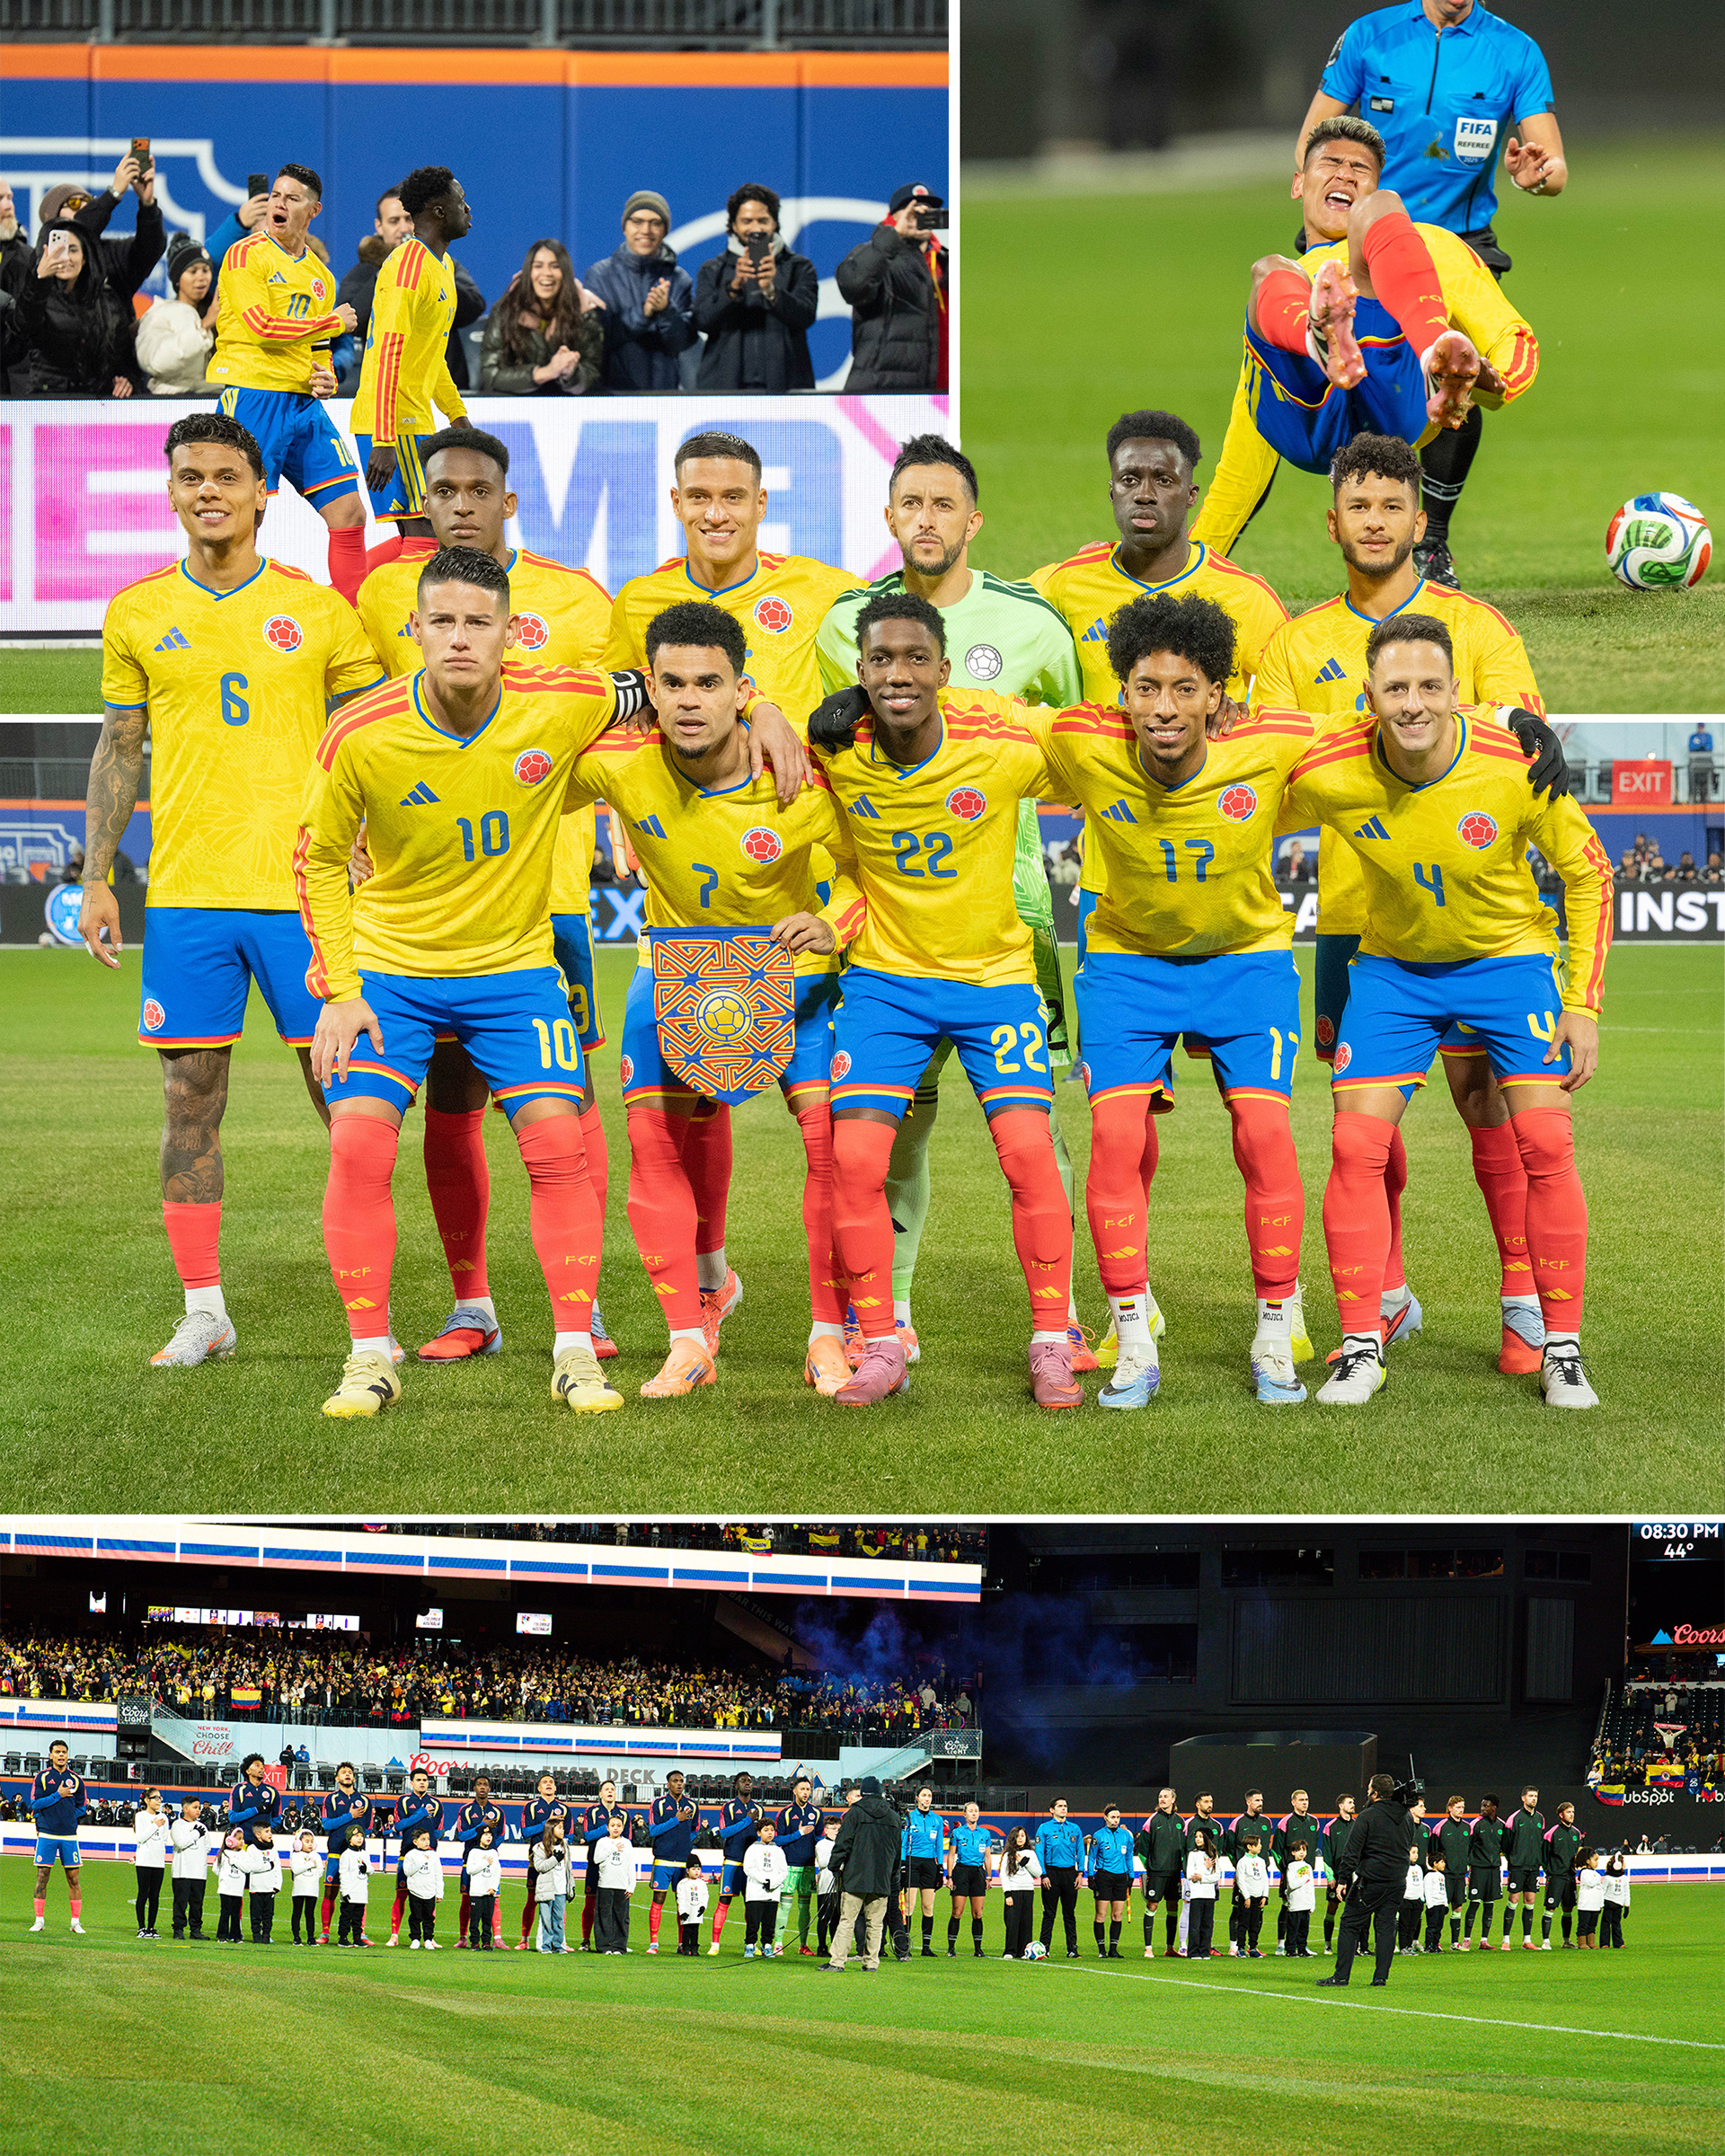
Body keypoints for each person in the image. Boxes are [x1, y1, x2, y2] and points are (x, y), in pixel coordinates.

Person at [297, 548, 731, 1418]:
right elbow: (315, 861)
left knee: (559, 1145)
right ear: (412, 629)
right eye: (443, 621)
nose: (459, 637)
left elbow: (666, 688)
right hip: (390, 973)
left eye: (478, 622)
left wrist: (759, 712)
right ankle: (367, 1356)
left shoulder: (563, 697)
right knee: (357, 1144)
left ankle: (575, 1350)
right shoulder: (360, 732)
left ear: (509, 632)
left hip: (515, 971)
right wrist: (340, 989)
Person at [1253, 432, 1560, 1377]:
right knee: (1364, 1121)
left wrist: (1510, 720)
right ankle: (1383, 1297)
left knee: (1486, 1106)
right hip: (1358, 922)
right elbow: (1268, 763)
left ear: (1420, 522)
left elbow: (1518, 721)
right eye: (1360, 506)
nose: (1376, 521)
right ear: (1333, 520)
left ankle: (1523, 1308)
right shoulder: (1297, 644)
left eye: (1393, 506)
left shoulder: (1475, 627)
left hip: (1476, 916)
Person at [81, 413, 383, 1370]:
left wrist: (371, 838)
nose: (207, 489)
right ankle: (205, 1310)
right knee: (188, 1102)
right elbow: (119, 748)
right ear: (170, 493)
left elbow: (369, 738)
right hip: (188, 899)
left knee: (347, 1103)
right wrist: (95, 877)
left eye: (225, 474)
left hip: (307, 895)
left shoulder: (322, 611)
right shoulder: (134, 612)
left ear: (265, 492)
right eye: (189, 476)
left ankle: (368, 1314)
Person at [1280, 615, 1610, 1407]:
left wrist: (1582, 1004)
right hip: (1394, 973)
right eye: (1396, 688)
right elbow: (1258, 749)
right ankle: (1363, 1346)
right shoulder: (1332, 765)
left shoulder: (1514, 767)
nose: (1414, 703)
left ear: (1457, 692)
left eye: (1431, 686)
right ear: (1370, 697)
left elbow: (1591, 872)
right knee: (1355, 1144)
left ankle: (1559, 1345)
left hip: (1508, 967)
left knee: (1541, 1138)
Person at [817, 434, 1091, 1371]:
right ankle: (885, 1313)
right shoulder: (841, 624)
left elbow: (1081, 753)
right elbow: (830, 774)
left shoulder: (1034, 625)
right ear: (889, 517)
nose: (926, 520)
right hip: (890, 931)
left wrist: (1079, 912)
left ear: (972, 520)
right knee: (896, 1130)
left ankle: (1064, 1320)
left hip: (1012, 928)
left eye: (944, 505)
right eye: (910, 504)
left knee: (1036, 1136)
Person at [356, 423, 616, 1365]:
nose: (460, 504)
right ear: (424, 501)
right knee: (453, 1106)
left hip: (543, 898)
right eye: (444, 491)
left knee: (567, 1111)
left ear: (509, 502)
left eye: (478, 490)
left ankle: (579, 1309)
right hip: (424, 914)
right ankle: (474, 1306)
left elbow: (640, 703)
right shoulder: (390, 591)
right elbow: (360, 719)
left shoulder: (580, 600)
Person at [1021, 593, 1318, 1403]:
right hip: (1128, 965)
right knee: (1115, 1137)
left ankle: (1274, 1329)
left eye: (1186, 688)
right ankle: (1131, 1338)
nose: (1164, 707)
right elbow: (987, 708)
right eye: (1146, 686)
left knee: (1264, 1133)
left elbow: (1381, 726)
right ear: (1122, 689)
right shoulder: (1083, 738)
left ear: (1220, 693)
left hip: (1246, 960)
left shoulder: (1271, 740)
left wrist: (1506, 712)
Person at [566, 602, 861, 1397]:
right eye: (672, 683)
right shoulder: (622, 767)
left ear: (741, 690)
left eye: (710, 683)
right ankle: (688, 1337)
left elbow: (873, 875)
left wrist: (830, 923)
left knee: (832, 1155)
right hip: (677, 970)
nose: (690, 699)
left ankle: (830, 1335)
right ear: (649, 692)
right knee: (654, 1148)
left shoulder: (795, 779)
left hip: (788, 978)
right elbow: (519, 733)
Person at [601, 429, 848, 1346]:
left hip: (795, 900)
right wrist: (616, 802)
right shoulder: (642, 601)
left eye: (732, 498)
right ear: (675, 503)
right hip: (684, 910)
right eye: (698, 496)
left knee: (839, 1138)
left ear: (760, 507)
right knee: (691, 1100)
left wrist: (785, 711)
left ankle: (860, 1317)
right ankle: (706, 1286)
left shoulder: (820, 592)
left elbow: (877, 689)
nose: (714, 513)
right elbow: (619, 707)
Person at [1296, 0, 1564, 580]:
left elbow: (1554, 166)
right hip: (1369, 246)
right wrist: (1329, 207)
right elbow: (1312, 139)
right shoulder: (1370, 36)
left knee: (1456, 383)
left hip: (1460, 247)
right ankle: (1369, 541)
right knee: (1358, 392)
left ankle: (1431, 542)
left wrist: (1536, 176)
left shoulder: (1514, 51)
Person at [1193, 119, 1537, 564]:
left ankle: (1432, 351)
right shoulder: (1289, 285)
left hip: (1392, 401)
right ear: (1299, 183)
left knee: (1373, 218)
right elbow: (1249, 432)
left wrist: (1498, 382)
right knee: (1270, 269)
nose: (1345, 174)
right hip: (1309, 410)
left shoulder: (1432, 247)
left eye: (1361, 168)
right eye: (1330, 162)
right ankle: (1319, 340)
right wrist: (1196, 558)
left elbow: (1509, 333)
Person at [204, 163, 366, 595]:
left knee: (349, 513)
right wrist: (330, 323)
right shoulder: (245, 255)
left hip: (303, 405)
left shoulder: (320, 276)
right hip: (253, 397)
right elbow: (261, 327)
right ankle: (232, 616)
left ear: (312, 210)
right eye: (276, 195)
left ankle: (352, 624)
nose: (279, 204)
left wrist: (326, 377)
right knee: (244, 521)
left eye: (292, 199)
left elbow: (319, 351)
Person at [350, 166, 473, 546]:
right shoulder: (406, 267)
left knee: (424, 537)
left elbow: (432, 354)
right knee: (425, 537)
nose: (468, 209)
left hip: (413, 416)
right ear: (438, 211)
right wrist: (385, 439)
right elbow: (388, 353)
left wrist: (456, 413)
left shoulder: (444, 266)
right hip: (390, 422)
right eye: (461, 200)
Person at [693, 184, 818, 393]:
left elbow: (805, 316)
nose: (756, 229)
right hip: (723, 389)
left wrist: (771, 290)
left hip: (785, 388)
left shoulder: (799, 267)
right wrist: (733, 287)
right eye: (746, 221)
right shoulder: (712, 269)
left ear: (775, 223)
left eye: (763, 221)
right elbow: (702, 320)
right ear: (733, 225)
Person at [836, 182, 947, 392]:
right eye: (912, 211)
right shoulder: (876, 255)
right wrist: (895, 235)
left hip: (936, 394)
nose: (921, 216)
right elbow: (854, 286)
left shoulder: (943, 261)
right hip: (883, 392)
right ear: (894, 216)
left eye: (928, 210)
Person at [584, 190, 695, 393]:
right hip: (612, 397)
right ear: (624, 228)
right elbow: (597, 338)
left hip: (665, 398)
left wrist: (666, 311)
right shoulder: (600, 275)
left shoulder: (680, 279)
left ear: (665, 230)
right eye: (637, 221)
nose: (646, 230)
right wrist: (643, 313)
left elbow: (681, 343)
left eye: (655, 223)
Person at [12, 220, 138, 396]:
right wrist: (40, 278)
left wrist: (125, 378)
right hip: (47, 399)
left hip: (95, 401)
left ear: (84, 258)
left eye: (73, 250)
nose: (66, 258)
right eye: (59, 250)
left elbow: (122, 353)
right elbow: (23, 325)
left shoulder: (107, 299)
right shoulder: (37, 294)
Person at [1321, 1772, 1411, 1986]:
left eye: (1369, 1789)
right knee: (1386, 1927)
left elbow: (1352, 1851)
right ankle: (1380, 1977)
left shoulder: (1367, 1816)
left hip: (1371, 1881)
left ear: (1376, 1793)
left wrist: (1342, 1880)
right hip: (1398, 1881)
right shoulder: (1406, 1816)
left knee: (1349, 1924)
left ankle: (1341, 1976)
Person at [480, 237, 602, 396]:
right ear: (528, 272)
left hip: (567, 408)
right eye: (538, 266)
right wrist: (544, 373)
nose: (546, 274)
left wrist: (571, 372)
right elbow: (490, 374)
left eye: (555, 266)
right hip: (515, 407)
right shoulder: (507, 310)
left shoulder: (583, 312)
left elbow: (593, 376)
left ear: (565, 273)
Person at [818, 1773, 900, 1973]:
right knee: (876, 1923)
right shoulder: (893, 1817)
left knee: (847, 1920)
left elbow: (843, 1842)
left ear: (862, 1793)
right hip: (882, 1878)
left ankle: (837, 1961)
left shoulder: (854, 1813)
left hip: (856, 1876)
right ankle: (871, 1963)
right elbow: (897, 1852)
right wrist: (893, 1876)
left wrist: (834, 1866)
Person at [136, 232, 215, 394]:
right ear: (178, 278)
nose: (201, 277)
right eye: (193, 271)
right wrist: (203, 327)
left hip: (211, 399)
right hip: (171, 403)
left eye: (205, 270)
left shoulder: (215, 312)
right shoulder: (160, 313)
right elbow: (155, 361)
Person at [29, 1740, 86, 1936]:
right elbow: (35, 1805)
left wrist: (68, 1817)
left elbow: (82, 1807)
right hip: (47, 1833)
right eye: (57, 1752)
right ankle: (39, 1921)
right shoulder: (43, 1777)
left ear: (67, 1755)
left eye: (64, 1752)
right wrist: (58, 1796)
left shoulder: (76, 1779)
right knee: (42, 1876)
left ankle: (75, 1922)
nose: (61, 1755)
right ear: (50, 1755)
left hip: (69, 1835)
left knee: (74, 1879)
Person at [383, 1768, 443, 1946]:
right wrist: (421, 1813)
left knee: (429, 1899)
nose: (422, 1782)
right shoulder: (404, 1801)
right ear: (412, 1783)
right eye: (418, 1780)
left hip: (429, 1858)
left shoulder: (437, 1803)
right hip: (407, 1855)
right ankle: (394, 1935)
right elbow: (399, 1825)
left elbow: (438, 1830)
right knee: (401, 1896)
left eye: (425, 1780)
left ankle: (428, 1938)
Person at [645, 1769, 702, 1953]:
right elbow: (653, 1831)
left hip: (683, 1862)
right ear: (668, 1784)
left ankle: (681, 1943)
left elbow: (695, 1830)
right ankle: (654, 1943)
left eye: (681, 1780)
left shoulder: (692, 1805)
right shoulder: (658, 1804)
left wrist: (685, 1842)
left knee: (682, 1903)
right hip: (663, 1859)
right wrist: (676, 1820)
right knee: (659, 1898)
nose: (679, 1783)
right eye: (675, 1780)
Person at [709, 1771, 763, 1951]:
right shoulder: (729, 1807)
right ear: (735, 1785)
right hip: (732, 1861)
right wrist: (748, 1820)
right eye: (743, 1781)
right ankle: (715, 1944)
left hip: (752, 1864)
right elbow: (724, 1832)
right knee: (724, 1901)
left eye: (749, 1780)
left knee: (752, 1904)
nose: (747, 1783)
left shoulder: (759, 1809)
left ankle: (751, 1943)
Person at [452, 1772, 506, 1948]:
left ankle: (496, 1938)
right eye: (479, 1784)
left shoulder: (498, 1812)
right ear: (474, 1788)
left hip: (490, 1862)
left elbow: (502, 1836)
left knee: (493, 1898)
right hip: (471, 1862)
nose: (482, 1787)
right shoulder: (466, 1810)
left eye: (486, 1784)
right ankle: (463, 1937)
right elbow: (461, 1835)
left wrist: (490, 1850)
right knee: (467, 1900)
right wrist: (480, 1826)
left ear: (490, 1788)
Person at [773, 1772, 825, 1955]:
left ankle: (803, 1945)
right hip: (789, 1867)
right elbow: (777, 1840)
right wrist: (799, 1833)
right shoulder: (785, 1813)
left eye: (808, 1789)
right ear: (794, 1791)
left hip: (809, 1867)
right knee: (784, 1906)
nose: (805, 1792)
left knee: (805, 1908)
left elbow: (820, 1840)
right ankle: (778, 1943)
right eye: (802, 1789)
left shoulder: (817, 1813)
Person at [319, 1763, 372, 1942]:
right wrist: (349, 1816)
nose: (347, 1775)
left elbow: (369, 1827)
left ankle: (360, 1933)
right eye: (343, 1772)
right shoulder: (331, 1799)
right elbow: (326, 1825)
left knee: (359, 1894)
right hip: (336, 1853)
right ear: (337, 1778)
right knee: (330, 1893)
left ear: (354, 1778)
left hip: (358, 1856)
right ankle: (325, 1933)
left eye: (350, 1772)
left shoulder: (364, 1800)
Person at [518, 1771, 570, 1949]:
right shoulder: (531, 1807)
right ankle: (525, 1939)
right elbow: (524, 1832)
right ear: (539, 1787)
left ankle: (560, 1940)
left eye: (552, 1782)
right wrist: (546, 1823)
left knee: (559, 1900)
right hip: (537, 1860)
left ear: (555, 1787)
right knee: (532, 1898)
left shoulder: (564, 1808)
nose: (549, 1784)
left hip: (558, 1861)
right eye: (545, 1782)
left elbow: (568, 1834)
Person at [1136, 1788, 1186, 1958]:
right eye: (1160, 1797)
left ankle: (1169, 1948)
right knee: (1152, 1906)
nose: (1162, 1799)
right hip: (1157, 1873)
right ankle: (1148, 1948)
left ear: (1173, 1800)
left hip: (1174, 1873)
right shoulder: (1151, 1821)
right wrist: (1151, 1868)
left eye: (1165, 1797)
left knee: (1173, 1907)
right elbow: (1142, 1851)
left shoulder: (1181, 1822)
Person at [1033, 1797, 1085, 1956]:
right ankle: (1044, 1948)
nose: (1064, 1809)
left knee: (1070, 1913)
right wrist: (1043, 1874)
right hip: (1051, 1874)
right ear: (1052, 1810)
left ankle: (1072, 1949)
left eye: (1065, 1806)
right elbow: (1039, 1853)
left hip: (1070, 1874)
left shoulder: (1075, 1828)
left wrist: (1080, 1872)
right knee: (1049, 1913)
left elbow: (1081, 1851)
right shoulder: (1044, 1828)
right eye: (1060, 1806)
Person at [1499, 1784, 1546, 1949]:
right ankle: (1506, 1940)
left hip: (1533, 1867)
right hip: (1518, 1866)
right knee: (1513, 1900)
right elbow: (1505, 1844)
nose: (1534, 1799)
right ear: (1523, 1798)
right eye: (1531, 1796)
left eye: (1536, 1796)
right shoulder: (1514, 1819)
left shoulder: (1540, 1818)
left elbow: (1540, 1842)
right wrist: (1514, 1859)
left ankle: (1527, 1940)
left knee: (1530, 1901)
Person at [1086, 1802, 1135, 1959]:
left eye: (1118, 1817)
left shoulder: (1126, 1836)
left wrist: (1131, 1876)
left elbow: (1128, 1857)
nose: (1116, 1820)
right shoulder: (1098, 1835)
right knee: (1101, 1915)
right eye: (1113, 1817)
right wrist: (1091, 1876)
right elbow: (1092, 1856)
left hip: (1121, 1878)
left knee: (1117, 1915)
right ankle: (1102, 1950)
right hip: (1104, 1877)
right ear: (1105, 1818)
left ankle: (1113, 1949)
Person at [945, 1798, 992, 1959]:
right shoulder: (957, 1832)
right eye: (971, 1811)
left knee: (978, 1913)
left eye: (976, 1811)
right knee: (957, 1912)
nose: (974, 1813)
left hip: (978, 1873)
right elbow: (951, 1855)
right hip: (961, 1872)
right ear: (964, 1814)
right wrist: (949, 1876)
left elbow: (987, 1857)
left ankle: (978, 1949)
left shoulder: (985, 1833)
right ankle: (951, 1948)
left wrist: (988, 1877)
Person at [579, 1778, 623, 1949]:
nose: (610, 1791)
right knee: (590, 1903)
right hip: (595, 1864)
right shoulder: (592, 1811)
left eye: (613, 1788)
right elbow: (587, 1835)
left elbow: (628, 1840)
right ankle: (586, 1940)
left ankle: (613, 1941)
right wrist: (609, 1827)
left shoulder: (624, 1814)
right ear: (600, 1793)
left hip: (615, 1866)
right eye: (607, 1789)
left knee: (615, 1906)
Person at [1461, 1792, 1504, 1948]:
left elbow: (1504, 1846)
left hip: (1494, 1870)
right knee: (1474, 1904)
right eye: (1482, 1805)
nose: (1483, 1808)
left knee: (1489, 1905)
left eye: (1486, 1806)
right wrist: (1467, 1862)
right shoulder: (1476, 1824)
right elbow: (1468, 1845)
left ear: (1494, 1808)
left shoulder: (1501, 1826)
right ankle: (1466, 1940)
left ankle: (1484, 1941)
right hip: (1478, 1869)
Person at [742, 1816, 788, 1957]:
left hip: (772, 1893)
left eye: (772, 1830)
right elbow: (748, 1868)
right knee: (753, 1922)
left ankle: (767, 1945)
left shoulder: (778, 1851)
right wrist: (764, 1880)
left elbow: (783, 1871)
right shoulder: (752, 1849)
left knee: (769, 1923)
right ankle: (750, 1945)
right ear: (758, 1832)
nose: (769, 1833)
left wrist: (773, 1883)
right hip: (756, 1892)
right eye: (766, 1830)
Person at [129, 1783, 171, 1938]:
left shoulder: (164, 1817)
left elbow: (164, 1839)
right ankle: (141, 1927)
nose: (159, 1801)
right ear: (147, 1800)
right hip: (144, 1861)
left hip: (158, 1861)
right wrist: (154, 1825)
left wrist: (158, 1825)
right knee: (143, 1894)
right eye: (155, 1798)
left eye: (160, 1798)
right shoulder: (140, 1816)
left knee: (155, 1895)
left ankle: (151, 1928)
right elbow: (140, 1838)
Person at [170, 1796, 212, 1940]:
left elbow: (207, 1847)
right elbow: (181, 1843)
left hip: (199, 1872)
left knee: (197, 1904)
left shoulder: (203, 1827)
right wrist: (195, 1834)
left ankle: (195, 1930)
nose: (198, 1810)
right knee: (180, 1902)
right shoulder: (177, 1825)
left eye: (199, 1808)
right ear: (185, 1808)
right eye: (195, 1807)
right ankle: (178, 1929)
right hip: (182, 1871)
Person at [1320, 1792, 1358, 1954]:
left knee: (1355, 1909)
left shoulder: (1357, 1825)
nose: (1353, 1805)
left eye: (1353, 1802)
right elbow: (1326, 1854)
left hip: (1355, 1876)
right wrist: (1330, 1877)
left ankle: (1354, 1946)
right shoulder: (1330, 1827)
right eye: (1350, 1802)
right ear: (1341, 1806)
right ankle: (1328, 1944)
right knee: (1332, 1907)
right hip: (1337, 1875)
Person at [1542, 1798, 1582, 1948]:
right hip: (1556, 1876)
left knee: (1568, 1909)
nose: (1572, 1815)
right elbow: (1544, 1855)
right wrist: (1550, 1871)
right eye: (1568, 1812)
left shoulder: (1576, 1833)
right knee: (1550, 1908)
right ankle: (1546, 1941)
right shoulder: (1551, 1833)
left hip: (1570, 1877)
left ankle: (1566, 1941)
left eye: (1573, 1812)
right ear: (1560, 1815)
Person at [1433, 1793, 1472, 1948]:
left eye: (1462, 1807)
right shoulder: (1441, 1827)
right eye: (1458, 1807)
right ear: (1450, 1808)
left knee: (1458, 1907)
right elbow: (1434, 1851)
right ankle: (1437, 1940)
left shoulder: (1467, 1828)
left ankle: (1455, 1942)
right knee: (1443, 1908)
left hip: (1460, 1874)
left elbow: (1469, 1850)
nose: (1461, 1810)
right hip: (1445, 1875)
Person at [593, 1812, 635, 1953]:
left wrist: (631, 1885)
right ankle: (604, 1946)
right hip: (605, 1884)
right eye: (612, 1825)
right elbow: (596, 1859)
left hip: (621, 1886)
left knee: (621, 1918)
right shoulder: (602, 1842)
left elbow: (630, 1865)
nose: (615, 1828)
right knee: (604, 1917)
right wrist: (613, 1848)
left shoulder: (627, 1843)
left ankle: (619, 1946)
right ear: (607, 1827)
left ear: (623, 1828)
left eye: (618, 1826)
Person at [998, 1825, 1041, 1958]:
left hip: (1028, 1891)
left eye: (1022, 1835)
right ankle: (1010, 1951)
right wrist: (1008, 1894)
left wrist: (1024, 1862)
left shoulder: (1031, 1853)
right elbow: (1004, 1875)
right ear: (1013, 1838)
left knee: (1026, 1923)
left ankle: (1024, 1951)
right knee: (1012, 1922)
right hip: (1014, 1891)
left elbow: (1038, 1873)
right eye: (1017, 1836)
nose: (1020, 1838)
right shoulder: (1007, 1855)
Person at [531, 1820, 569, 1953]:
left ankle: (558, 1946)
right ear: (551, 1830)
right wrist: (554, 1859)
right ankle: (545, 1946)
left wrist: (571, 1887)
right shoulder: (540, 1848)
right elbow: (540, 1867)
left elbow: (568, 1869)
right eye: (559, 1828)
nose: (562, 1831)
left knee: (558, 1920)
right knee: (546, 1920)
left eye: (563, 1828)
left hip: (561, 1890)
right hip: (547, 1889)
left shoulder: (565, 1846)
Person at [229, 1752, 282, 1844]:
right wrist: (256, 1810)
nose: (262, 1768)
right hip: (244, 1843)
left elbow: (277, 1819)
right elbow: (233, 1818)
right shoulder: (239, 1789)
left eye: (262, 1766)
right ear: (248, 1771)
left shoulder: (272, 1791)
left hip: (264, 1844)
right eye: (257, 1765)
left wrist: (265, 1832)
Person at [242, 1825, 283, 1942]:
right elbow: (250, 1867)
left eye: (270, 1831)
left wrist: (277, 1886)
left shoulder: (273, 1850)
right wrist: (268, 1866)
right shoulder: (251, 1849)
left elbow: (278, 1868)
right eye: (267, 1831)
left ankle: (266, 1936)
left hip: (270, 1888)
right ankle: (256, 1936)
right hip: (256, 1887)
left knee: (268, 1915)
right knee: (256, 1915)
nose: (270, 1834)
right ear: (258, 1835)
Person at [464, 1824, 501, 1948]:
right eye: (485, 1834)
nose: (488, 1837)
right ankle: (474, 1942)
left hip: (489, 1892)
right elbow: (470, 1870)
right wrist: (485, 1863)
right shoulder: (474, 1852)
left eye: (490, 1835)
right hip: (476, 1892)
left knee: (487, 1920)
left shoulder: (493, 1852)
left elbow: (497, 1871)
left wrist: (494, 1888)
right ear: (480, 1836)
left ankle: (486, 1942)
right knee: (475, 1920)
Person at [1184, 1828, 1219, 1958]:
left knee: (1207, 1925)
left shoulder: (1214, 1854)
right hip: (1196, 1895)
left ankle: (1205, 1951)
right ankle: (1193, 1952)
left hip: (1209, 1895)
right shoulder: (1192, 1854)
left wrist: (1202, 1878)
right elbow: (1190, 1875)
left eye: (1200, 1836)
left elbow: (1216, 1876)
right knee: (1195, 1925)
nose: (1197, 1839)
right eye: (1196, 1836)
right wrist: (1204, 1867)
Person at [814, 1816, 842, 1957]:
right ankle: (822, 1946)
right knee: (824, 1917)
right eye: (833, 1828)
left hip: (840, 1886)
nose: (836, 1831)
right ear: (825, 1830)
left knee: (837, 1919)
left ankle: (834, 1947)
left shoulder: (842, 1844)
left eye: (838, 1829)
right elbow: (824, 1862)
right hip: (826, 1886)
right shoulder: (822, 1844)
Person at [288, 1828, 322, 1943]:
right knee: (297, 1913)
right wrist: (310, 1864)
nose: (310, 1844)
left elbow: (320, 1871)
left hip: (312, 1889)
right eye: (307, 1841)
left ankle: (311, 1937)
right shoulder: (296, 1855)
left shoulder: (316, 1856)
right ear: (299, 1843)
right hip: (299, 1890)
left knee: (310, 1914)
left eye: (312, 1841)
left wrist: (312, 1872)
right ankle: (296, 1936)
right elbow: (295, 1869)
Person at [338, 1826, 370, 1944]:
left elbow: (370, 1870)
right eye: (356, 1836)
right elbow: (343, 1874)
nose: (360, 1838)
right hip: (350, 1892)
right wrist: (344, 1891)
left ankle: (357, 1938)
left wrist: (367, 1868)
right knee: (346, 1917)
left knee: (358, 1918)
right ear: (349, 1839)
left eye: (361, 1836)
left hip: (361, 1892)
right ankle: (343, 1938)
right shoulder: (346, 1855)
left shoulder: (365, 1854)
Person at [1285, 1838, 1317, 1955]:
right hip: (1296, 1903)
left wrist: (1312, 1904)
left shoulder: (1308, 1867)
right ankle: (1290, 1950)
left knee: (1304, 1929)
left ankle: (1302, 1949)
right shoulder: (1291, 1866)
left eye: (1304, 1850)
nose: (1301, 1852)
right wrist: (1305, 1878)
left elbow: (1311, 1887)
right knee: (1293, 1928)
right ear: (1293, 1853)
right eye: (1298, 1850)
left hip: (1306, 1903)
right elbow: (1292, 1884)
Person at [215, 1830, 248, 1943]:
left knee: (235, 1913)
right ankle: (222, 1935)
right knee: (225, 1912)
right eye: (239, 1839)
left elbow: (247, 1868)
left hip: (238, 1889)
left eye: (242, 1839)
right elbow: (216, 1869)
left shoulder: (244, 1854)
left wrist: (234, 1861)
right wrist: (224, 1877)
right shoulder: (223, 1853)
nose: (241, 1841)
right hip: (226, 1888)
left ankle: (236, 1936)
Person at [675, 1857, 709, 1954]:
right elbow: (680, 1898)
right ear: (688, 1871)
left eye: (698, 1869)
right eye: (693, 1869)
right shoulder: (682, 1884)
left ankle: (694, 1949)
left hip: (697, 1911)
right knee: (687, 1930)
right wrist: (682, 1912)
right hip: (687, 1910)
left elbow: (705, 1895)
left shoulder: (702, 1883)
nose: (696, 1872)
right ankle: (685, 1948)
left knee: (695, 1930)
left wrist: (703, 1906)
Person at [1574, 1848, 1604, 1946]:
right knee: (1583, 1925)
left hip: (1594, 1905)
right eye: (1595, 1860)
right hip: (1585, 1905)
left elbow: (1600, 1890)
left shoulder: (1596, 1874)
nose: (1597, 1863)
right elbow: (1591, 1883)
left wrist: (1600, 1904)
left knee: (1592, 1925)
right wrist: (1597, 1878)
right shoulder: (1584, 1872)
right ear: (1588, 1861)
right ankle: (1581, 1943)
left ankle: (1591, 1942)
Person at [1421, 1851, 1450, 1951]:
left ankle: (1435, 1945)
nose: (1444, 1864)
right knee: (1431, 1927)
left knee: (1439, 1927)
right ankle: (1428, 1945)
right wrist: (1430, 1905)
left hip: (1441, 1904)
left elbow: (1444, 1891)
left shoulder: (1442, 1876)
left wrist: (1446, 1904)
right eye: (1442, 1862)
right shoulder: (1429, 1876)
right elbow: (1427, 1891)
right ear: (1435, 1863)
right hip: (1433, 1905)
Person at [1600, 1852, 1628, 1948]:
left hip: (1619, 1904)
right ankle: (1604, 1943)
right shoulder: (1607, 1878)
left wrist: (1627, 1905)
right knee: (1606, 1924)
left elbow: (1626, 1892)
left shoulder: (1624, 1878)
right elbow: (1602, 1891)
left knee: (1616, 1924)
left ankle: (1618, 1943)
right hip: (1608, 1903)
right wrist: (1600, 1903)